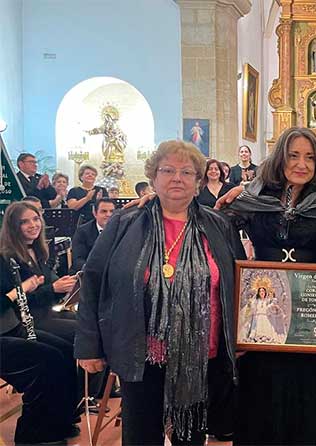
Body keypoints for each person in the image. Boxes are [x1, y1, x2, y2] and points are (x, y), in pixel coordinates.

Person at [74, 140, 246, 445]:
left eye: (186, 171)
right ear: (153, 177)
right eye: (167, 170)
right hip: (140, 353)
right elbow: (93, 280)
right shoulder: (125, 223)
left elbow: (236, 283)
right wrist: (88, 346)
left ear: (199, 181)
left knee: (190, 437)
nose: (176, 177)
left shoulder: (218, 225)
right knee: (141, 437)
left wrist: (239, 337)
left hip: (199, 355)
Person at [220, 127, 316, 444]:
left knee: (313, 403)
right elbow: (216, 227)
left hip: (314, 323)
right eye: (294, 155)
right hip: (265, 324)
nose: (302, 164)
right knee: (265, 401)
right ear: (280, 158)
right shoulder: (254, 198)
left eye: (310, 157)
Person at [0, 201, 80, 444]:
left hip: (15, 326)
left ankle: (59, 420)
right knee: (48, 362)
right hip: (5, 332)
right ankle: (32, 435)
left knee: (65, 351)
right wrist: (22, 289)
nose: (33, 225)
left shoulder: (38, 251)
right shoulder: (4, 258)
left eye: (35, 219)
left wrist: (59, 288)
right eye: (24, 221)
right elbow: (6, 302)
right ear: (13, 227)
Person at [70, 198, 115, 273]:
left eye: (112, 211)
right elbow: (78, 260)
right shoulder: (82, 231)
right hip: (89, 273)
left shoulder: (122, 230)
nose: (108, 215)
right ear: (95, 213)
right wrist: (94, 270)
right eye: (104, 211)